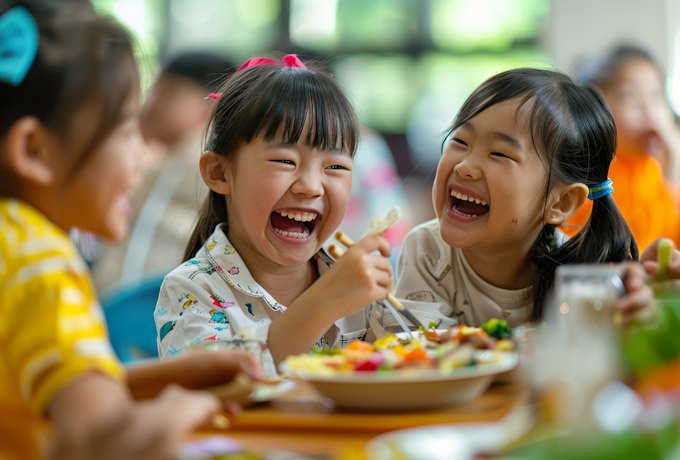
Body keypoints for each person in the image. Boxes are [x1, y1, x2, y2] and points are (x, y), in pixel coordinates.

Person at [0, 2, 262, 459]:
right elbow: (96, 441)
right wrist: (184, 407)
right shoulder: (40, 261)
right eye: (126, 132)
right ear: (33, 150)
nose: (143, 157)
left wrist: (173, 376)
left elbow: (45, 393)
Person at [154, 54, 394, 376]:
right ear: (220, 172)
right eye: (285, 161)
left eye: (335, 167)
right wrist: (324, 302)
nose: (311, 187)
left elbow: (411, 361)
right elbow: (214, 384)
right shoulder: (191, 290)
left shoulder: (353, 279)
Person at [394, 67, 651, 330]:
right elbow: (422, 358)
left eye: (499, 154)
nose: (465, 167)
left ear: (560, 203)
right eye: (460, 141)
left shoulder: (574, 278)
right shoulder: (428, 253)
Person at [93, 51, 234, 295]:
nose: (150, 104)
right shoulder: (157, 171)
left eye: (169, 94)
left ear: (211, 105)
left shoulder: (212, 174)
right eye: (154, 91)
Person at [565, 45, 680, 251]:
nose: (649, 109)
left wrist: (673, 157)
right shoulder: (594, 172)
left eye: (656, 95)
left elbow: (669, 234)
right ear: (598, 108)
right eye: (630, 97)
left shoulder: (652, 167)